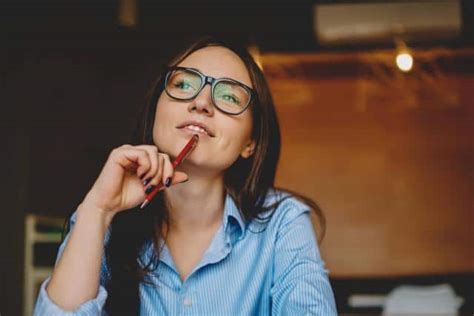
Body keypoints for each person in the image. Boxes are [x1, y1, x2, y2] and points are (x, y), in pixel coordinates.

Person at [33, 36, 337, 315]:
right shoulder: (101, 220)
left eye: (230, 97)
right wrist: (97, 210)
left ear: (250, 143)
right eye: (183, 85)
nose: (201, 103)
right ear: (156, 112)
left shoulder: (282, 222)